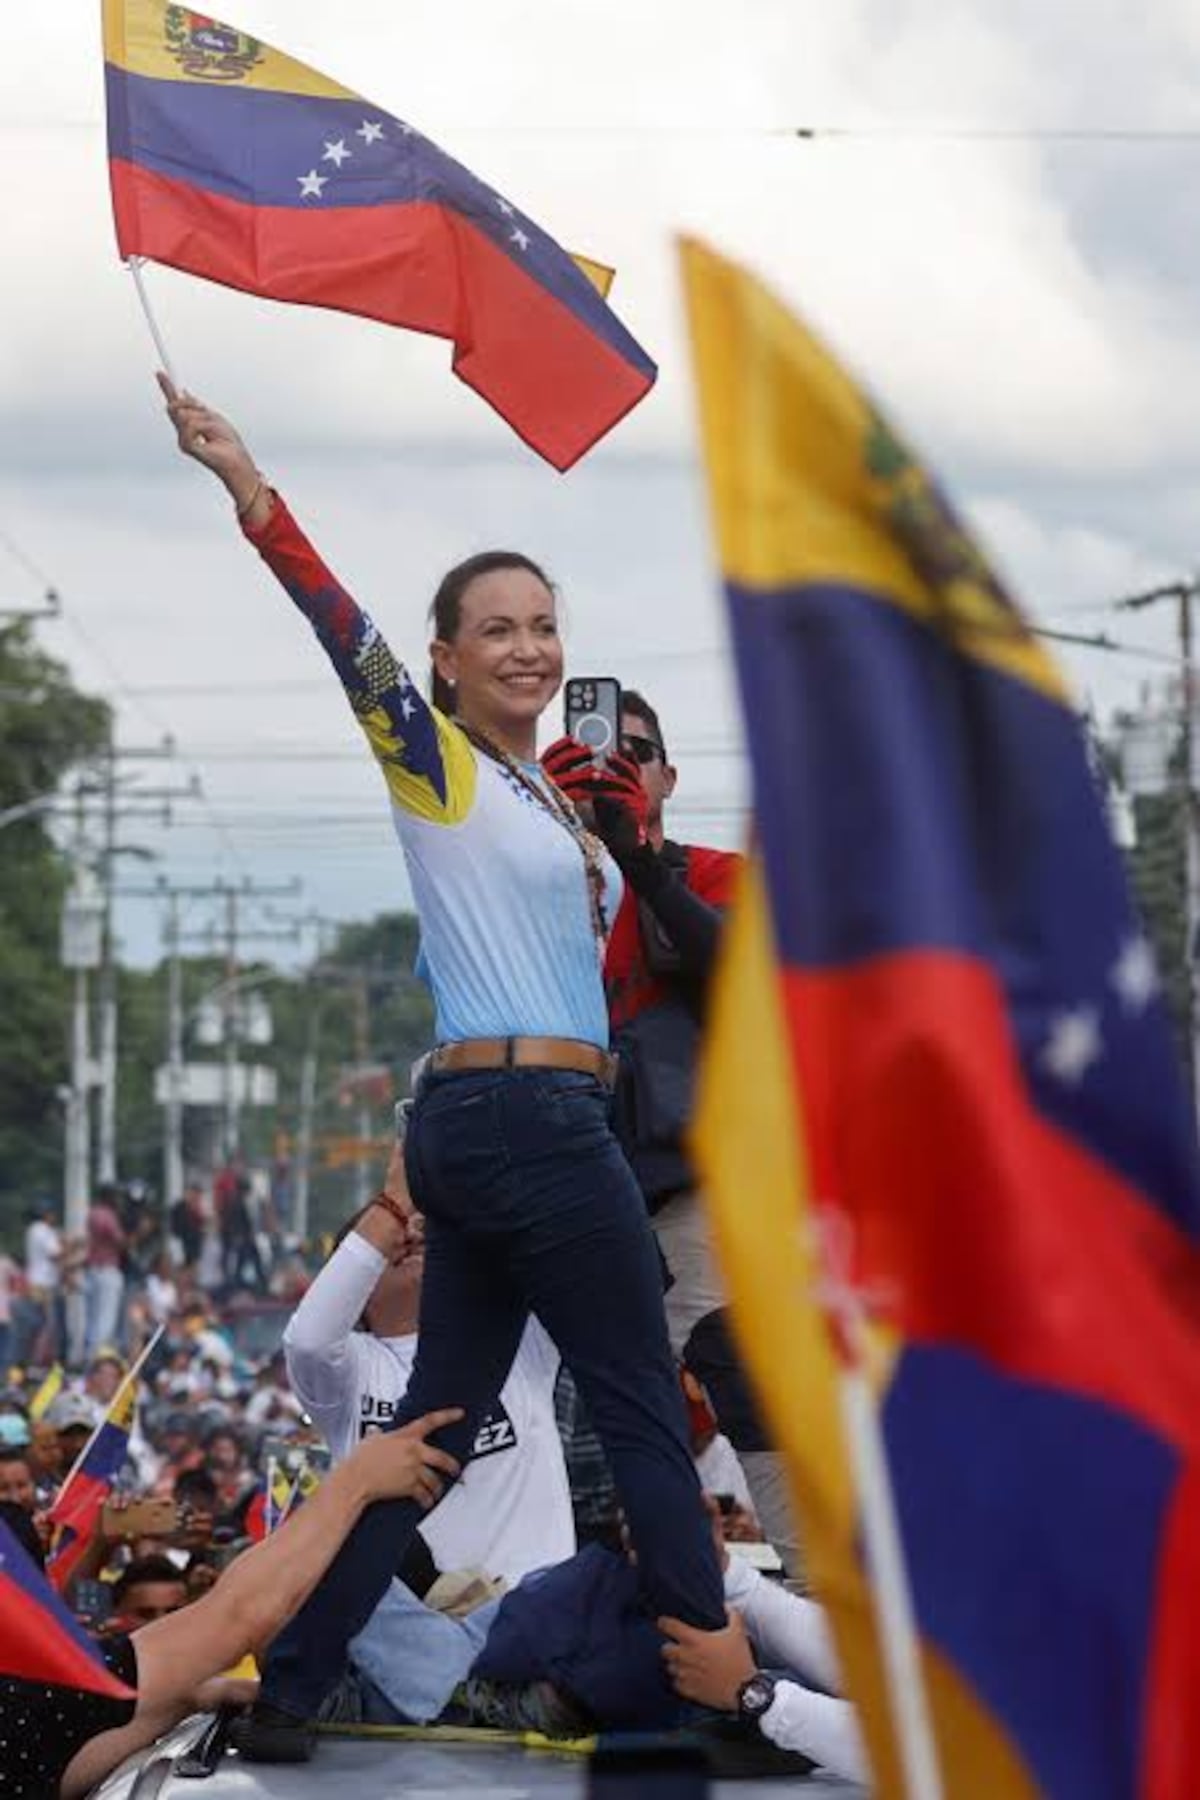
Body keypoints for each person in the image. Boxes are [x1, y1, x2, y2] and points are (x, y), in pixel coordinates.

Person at [158, 377, 726, 1760]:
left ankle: (292, 1695)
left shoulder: (553, 800)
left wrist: (629, 835)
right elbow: (341, 634)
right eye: (497, 630)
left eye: (544, 626)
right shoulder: (442, 769)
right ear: (448, 660)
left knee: (440, 1422)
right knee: (640, 1403)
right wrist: (252, 491)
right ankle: (717, 1691)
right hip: (528, 1117)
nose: (529, 649)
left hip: (489, 1124)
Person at [543, 692, 800, 1573]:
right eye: (590, 751)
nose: (614, 766)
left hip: (691, 1190)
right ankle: (573, 1593)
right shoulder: (536, 882)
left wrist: (642, 863)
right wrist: (542, 820)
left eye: (635, 752)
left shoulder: (714, 875)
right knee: (569, 1412)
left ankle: (812, 1586)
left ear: (668, 776)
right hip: (569, 1188)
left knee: (742, 1378)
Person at [0, 1406, 462, 1800]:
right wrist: (356, 1482)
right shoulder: (25, 1701)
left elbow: (75, 1752)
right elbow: (235, 1617)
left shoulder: (28, 1716)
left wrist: (188, 1699)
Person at [283, 1144, 574, 1587]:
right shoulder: (349, 1375)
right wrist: (390, 1208)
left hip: (535, 1609)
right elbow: (308, 1340)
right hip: (413, 1619)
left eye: (422, 1230)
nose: (410, 1235)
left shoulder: (514, 1331)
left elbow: (545, 1228)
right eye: (391, 1236)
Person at [83, 1188, 126, 1362]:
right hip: (107, 1268)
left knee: (93, 1318)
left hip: (93, 1269)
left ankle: (91, 1355)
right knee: (106, 1318)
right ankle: (99, 1357)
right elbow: (119, 1240)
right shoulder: (107, 1215)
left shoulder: (92, 1213)